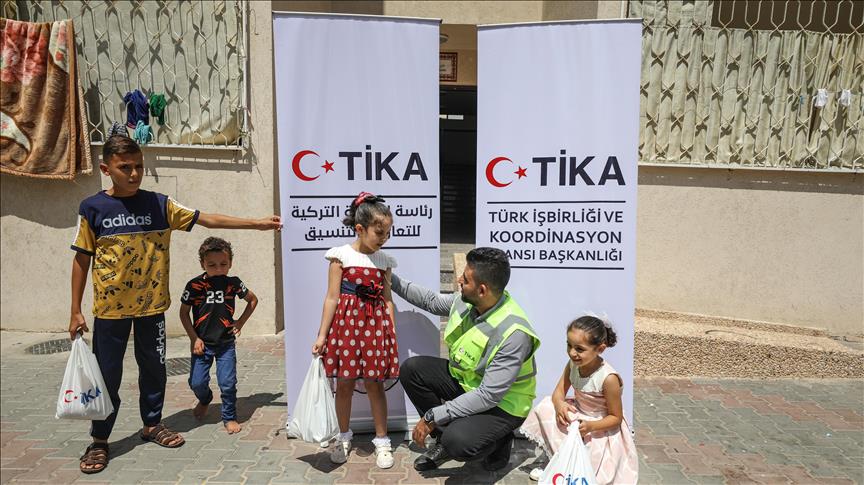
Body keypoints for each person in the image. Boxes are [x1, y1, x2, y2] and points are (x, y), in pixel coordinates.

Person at [69, 135, 281, 474]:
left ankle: (152, 424)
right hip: (110, 312)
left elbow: (207, 219)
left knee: (154, 370)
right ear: (106, 169)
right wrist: (75, 310)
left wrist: (256, 224)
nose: (134, 173)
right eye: (125, 168)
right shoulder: (92, 208)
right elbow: (82, 259)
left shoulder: (160, 205)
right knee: (107, 376)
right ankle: (100, 440)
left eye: (139, 166)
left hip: (152, 309)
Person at [391, 247, 541, 472]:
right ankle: (443, 441)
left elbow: (489, 396)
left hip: (504, 405)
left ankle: (499, 441)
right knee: (413, 370)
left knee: (458, 441)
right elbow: (431, 301)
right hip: (470, 385)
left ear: (482, 290)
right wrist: (389, 278)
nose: (459, 280)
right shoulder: (469, 301)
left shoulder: (514, 333)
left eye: (465, 279)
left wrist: (434, 416)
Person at [310, 192, 399, 469]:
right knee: (345, 384)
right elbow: (331, 298)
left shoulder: (384, 261)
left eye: (388, 233)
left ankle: (382, 441)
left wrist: (391, 332)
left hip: (375, 330)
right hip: (346, 329)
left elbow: (387, 300)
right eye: (379, 232)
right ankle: (343, 437)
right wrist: (322, 335)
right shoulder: (340, 256)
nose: (384, 238)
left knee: (375, 384)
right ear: (360, 229)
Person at [520, 316, 638, 483]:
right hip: (579, 413)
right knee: (546, 407)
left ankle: (576, 468)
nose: (572, 353)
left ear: (600, 349)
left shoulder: (609, 378)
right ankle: (557, 461)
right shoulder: (573, 364)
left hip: (599, 424)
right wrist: (560, 405)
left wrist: (591, 426)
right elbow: (558, 392)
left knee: (590, 462)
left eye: (580, 349)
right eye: (569, 345)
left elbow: (616, 418)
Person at [179, 237, 258, 434]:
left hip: (225, 344)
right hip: (202, 344)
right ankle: (205, 399)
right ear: (202, 264)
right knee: (197, 382)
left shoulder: (234, 283)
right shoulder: (194, 286)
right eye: (212, 265)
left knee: (228, 383)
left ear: (230, 263)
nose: (218, 269)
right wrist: (194, 338)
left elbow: (253, 300)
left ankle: (229, 416)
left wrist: (240, 322)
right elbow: (183, 313)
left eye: (223, 264)